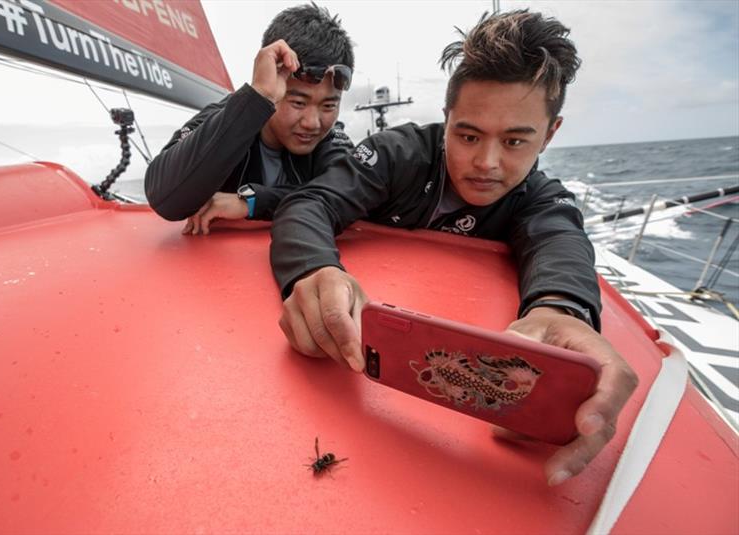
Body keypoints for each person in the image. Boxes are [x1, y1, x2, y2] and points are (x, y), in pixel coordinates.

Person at [270, 10, 638, 486]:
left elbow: (560, 239)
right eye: (467, 136)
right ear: (445, 120)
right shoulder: (395, 154)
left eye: (514, 141)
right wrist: (312, 270)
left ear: (550, 134)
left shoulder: (541, 199)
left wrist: (562, 310)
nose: (486, 162)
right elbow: (310, 202)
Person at [144, 3, 355, 234]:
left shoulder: (328, 138)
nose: (312, 122)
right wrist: (258, 97)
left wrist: (252, 201)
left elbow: (349, 193)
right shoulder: (228, 117)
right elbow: (165, 199)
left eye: (328, 105)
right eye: (298, 103)